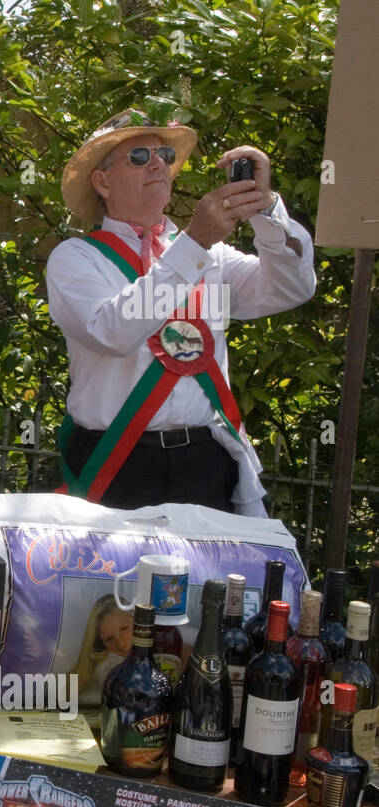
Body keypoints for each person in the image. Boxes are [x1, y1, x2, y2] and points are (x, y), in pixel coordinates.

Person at [48, 109, 316, 516]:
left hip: (206, 460)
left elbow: (292, 287)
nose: (158, 164)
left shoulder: (211, 257)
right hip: (117, 460)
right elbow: (113, 332)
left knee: (211, 581)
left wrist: (266, 209)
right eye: (139, 157)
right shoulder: (76, 258)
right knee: (109, 582)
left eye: (165, 156)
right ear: (102, 182)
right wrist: (195, 243)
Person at [74, 594, 133, 708]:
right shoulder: (109, 668)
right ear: (100, 645)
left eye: (124, 628)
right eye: (110, 639)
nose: (120, 644)